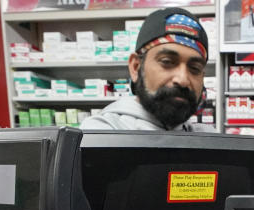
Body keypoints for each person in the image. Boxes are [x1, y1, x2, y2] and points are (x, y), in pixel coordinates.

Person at [80, 8, 212, 131]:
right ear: (135, 67)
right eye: (167, 62)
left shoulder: (209, 140)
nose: (183, 79)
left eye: (195, 68)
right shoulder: (98, 134)